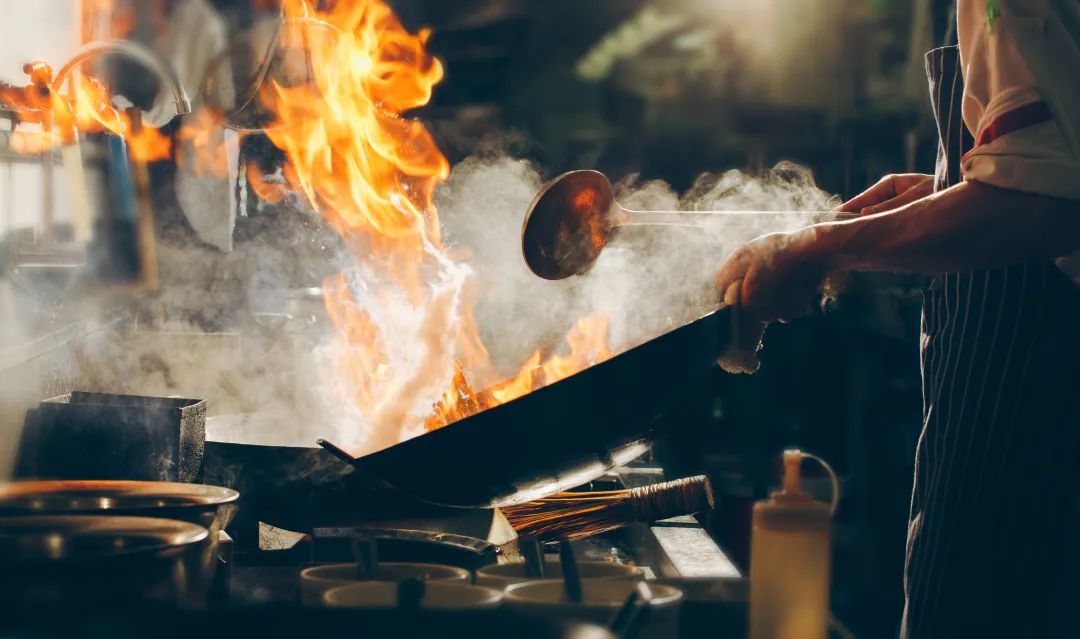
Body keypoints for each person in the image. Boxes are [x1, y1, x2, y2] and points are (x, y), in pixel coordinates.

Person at [715, 1, 1080, 636]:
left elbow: (1042, 206)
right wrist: (945, 187)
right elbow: (1056, 158)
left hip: (1039, 409)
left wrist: (823, 247)